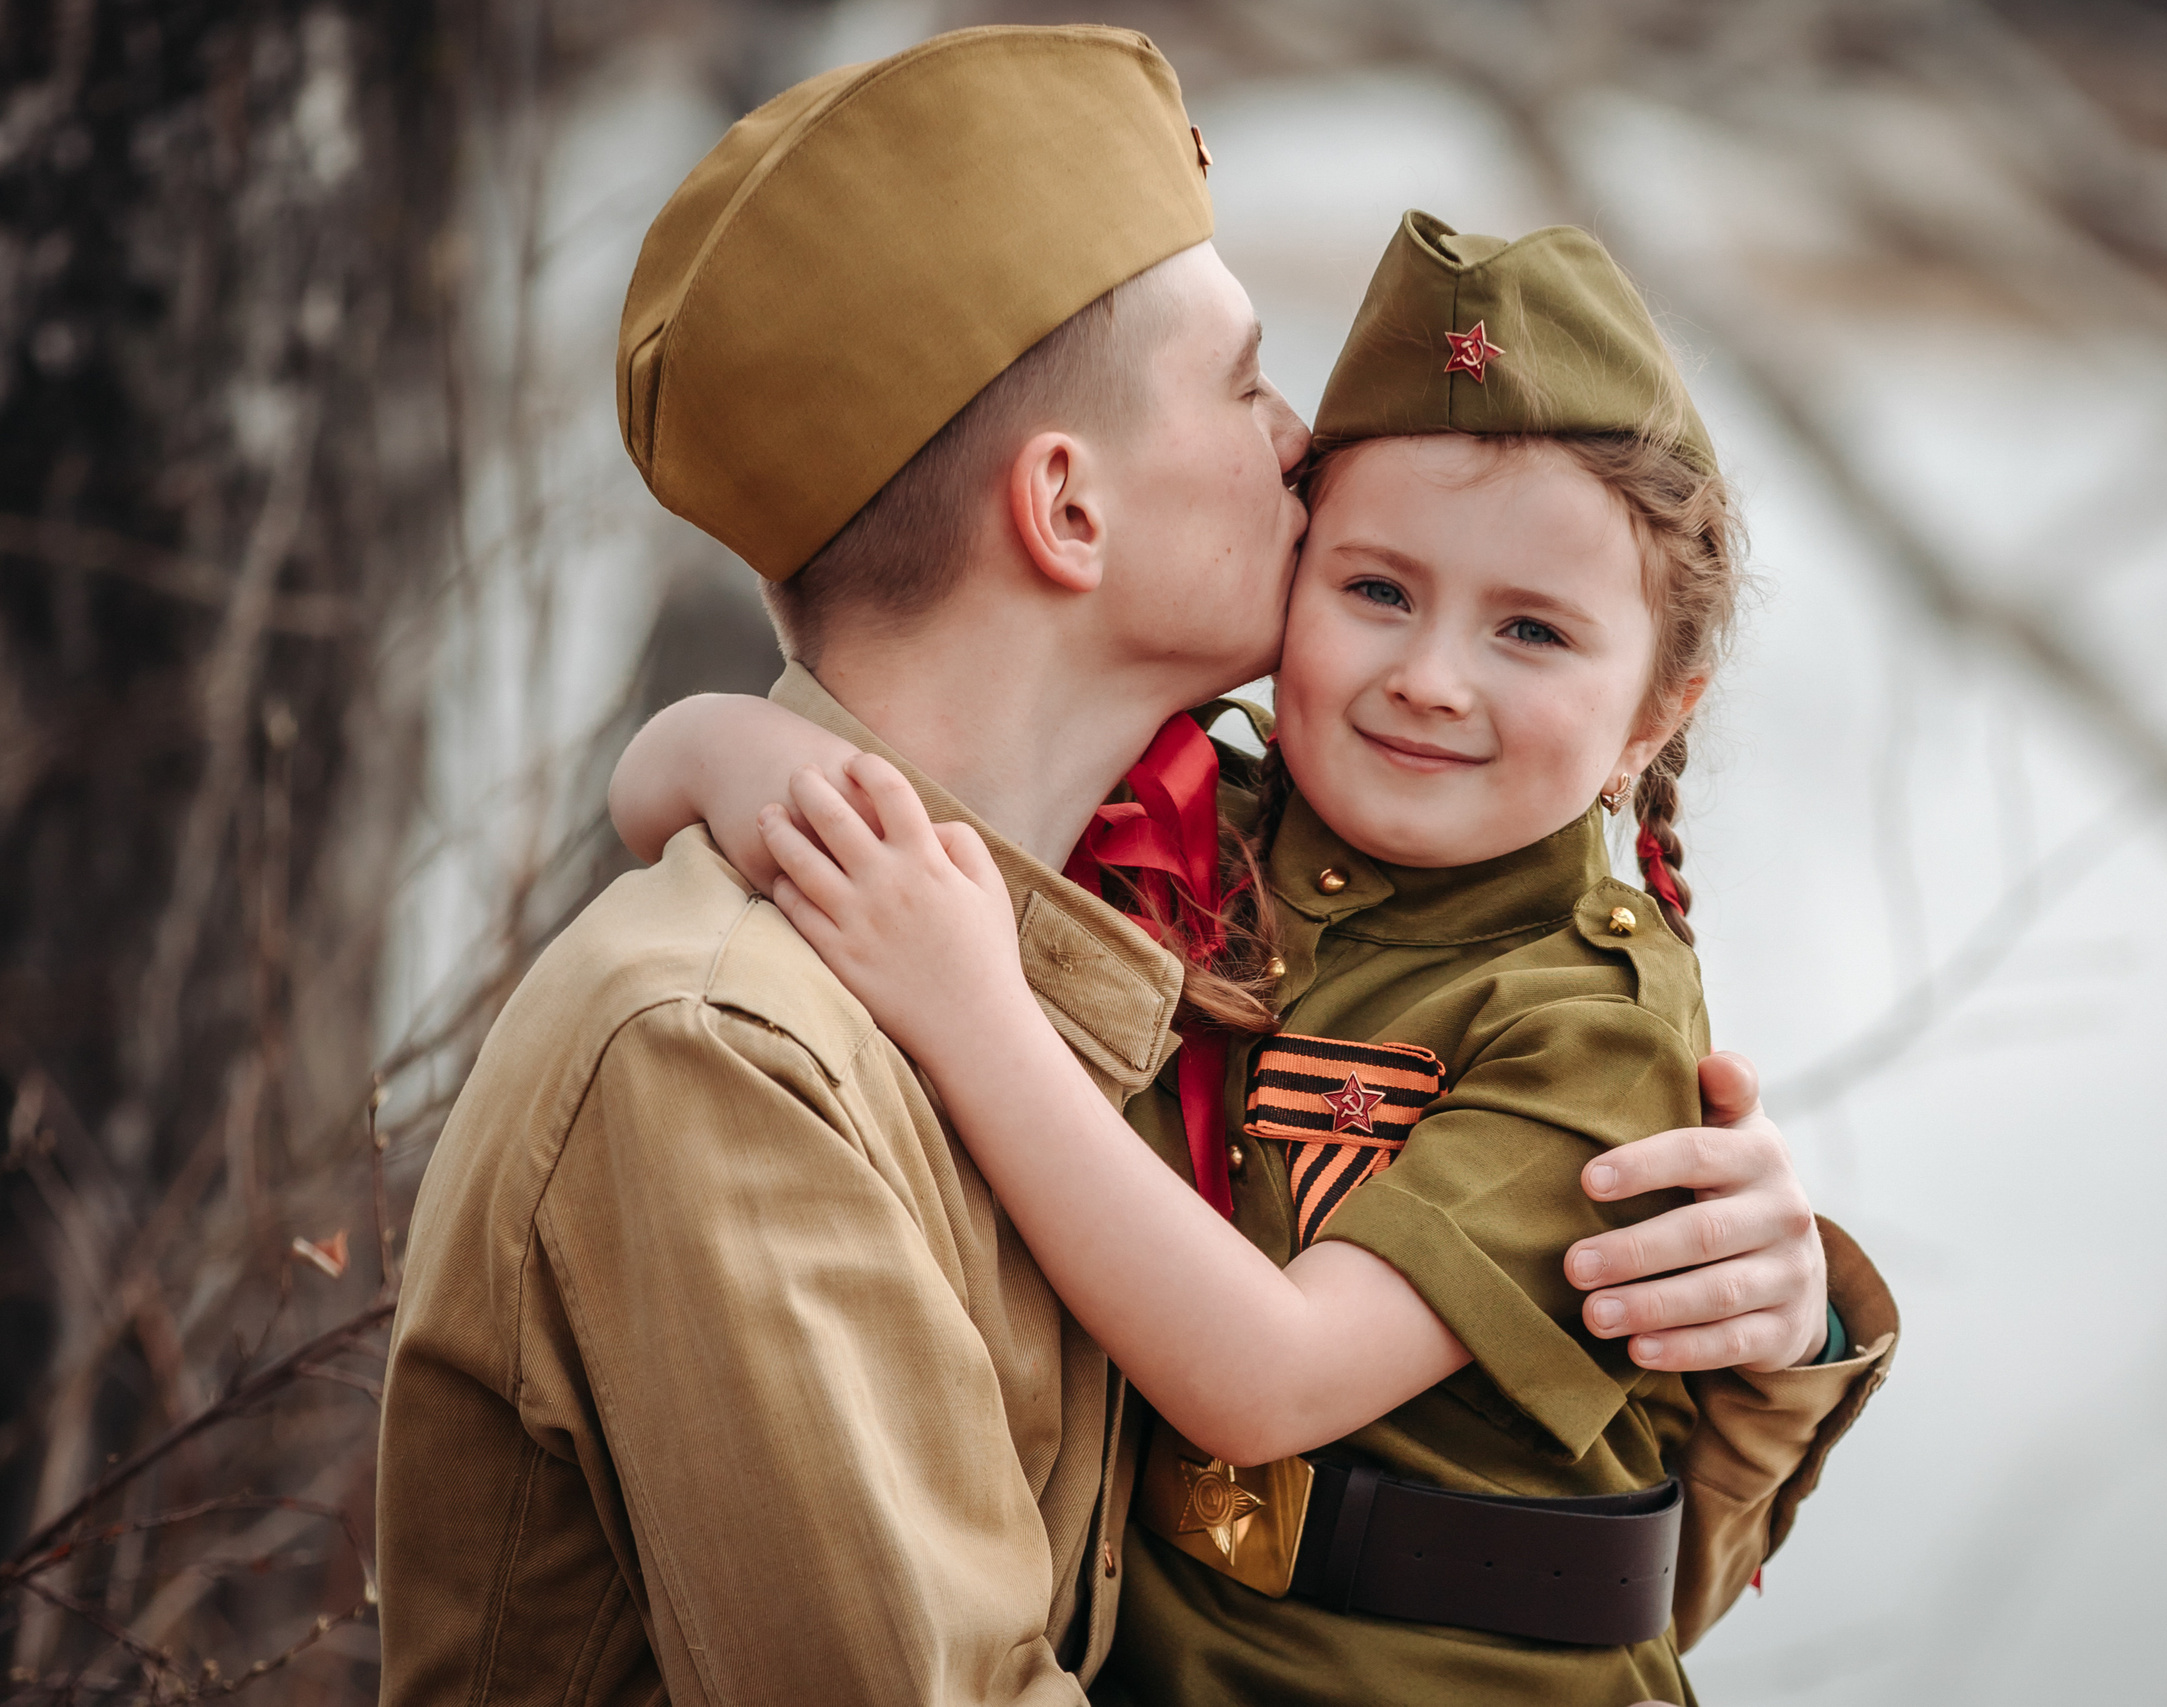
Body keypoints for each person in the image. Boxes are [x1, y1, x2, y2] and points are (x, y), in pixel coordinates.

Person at [378, 25, 1888, 1707]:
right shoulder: (736, 1051)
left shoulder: (1094, 919)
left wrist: (1761, 1341)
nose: (1301, 439)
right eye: (1244, 384)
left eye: (1529, 627)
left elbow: (1480, 1582)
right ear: (1068, 511)